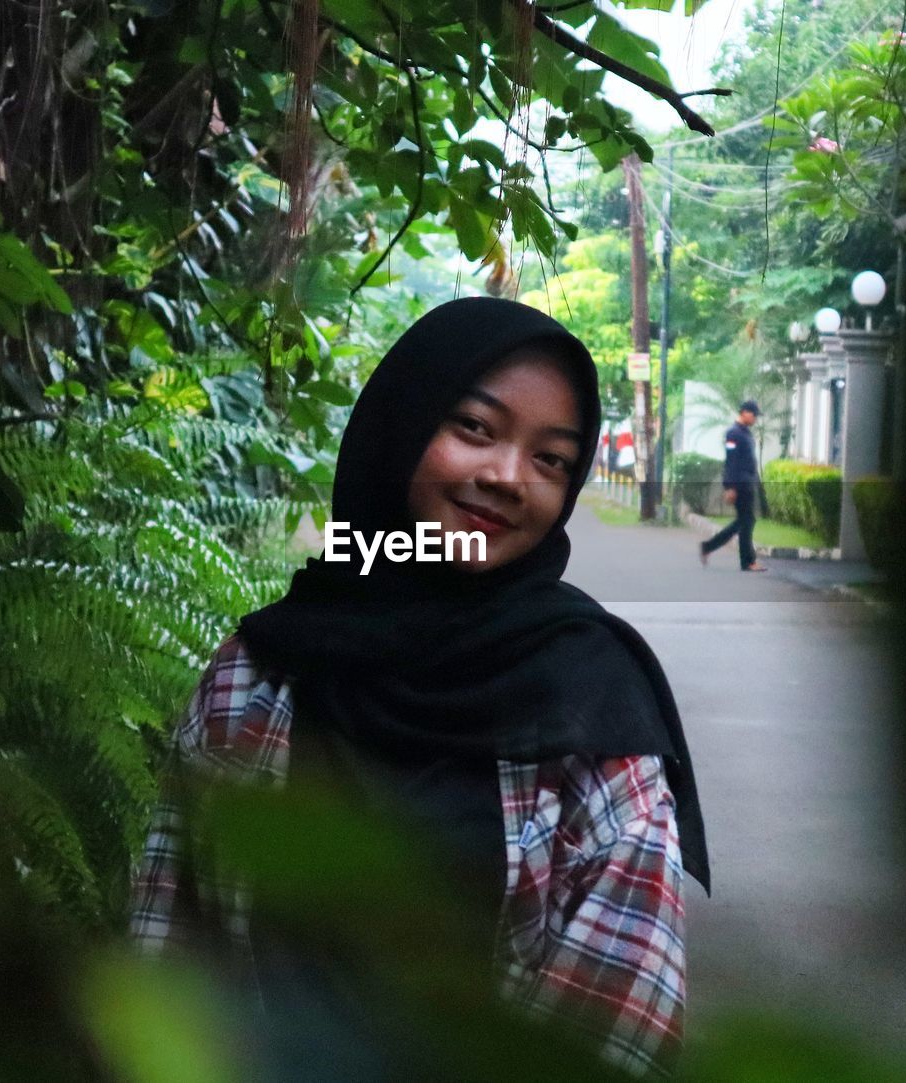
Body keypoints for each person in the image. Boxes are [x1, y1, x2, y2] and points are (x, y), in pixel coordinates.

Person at [129, 297, 709, 1078]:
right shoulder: (261, 673)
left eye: (551, 459)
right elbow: (168, 938)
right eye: (475, 427)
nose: (507, 477)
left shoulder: (591, 700)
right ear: (399, 427)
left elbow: (620, 1006)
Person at [700, 399, 767, 572]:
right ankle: (747, 561)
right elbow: (731, 461)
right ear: (744, 412)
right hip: (739, 484)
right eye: (754, 415)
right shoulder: (733, 433)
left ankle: (709, 547)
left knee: (744, 521)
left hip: (746, 483)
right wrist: (730, 487)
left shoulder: (745, 433)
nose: (755, 419)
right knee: (746, 521)